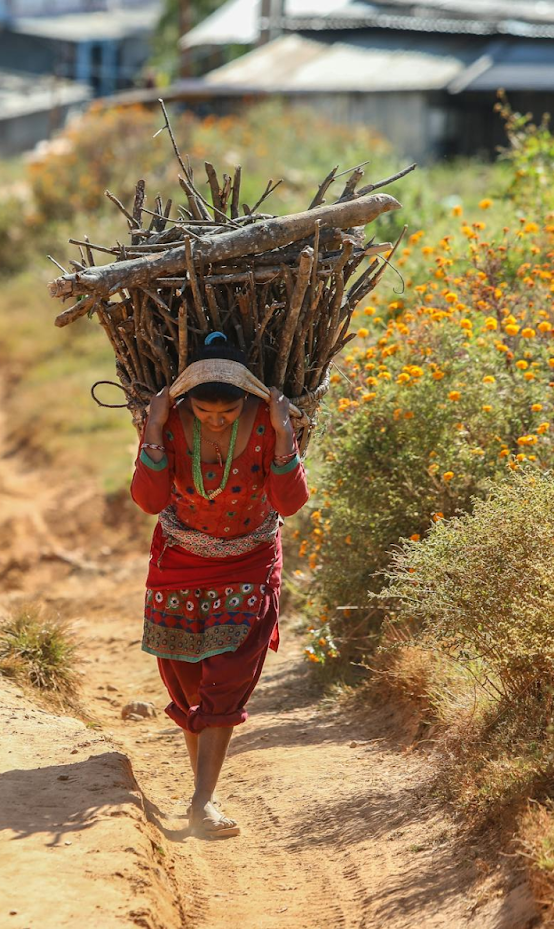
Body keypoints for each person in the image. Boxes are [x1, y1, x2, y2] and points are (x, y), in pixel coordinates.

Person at [129, 332, 309, 838]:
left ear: (246, 401)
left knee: (227, 674)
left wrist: (283, 432)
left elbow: (289, 502)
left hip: (248, 562)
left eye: (226, 416)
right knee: (187, 676)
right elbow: (148, 499)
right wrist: (157, 427)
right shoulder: (168, 424)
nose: (215, 421)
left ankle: (202, 801)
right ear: (187, 403)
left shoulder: (269, 426)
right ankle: (201, 790)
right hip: (179, 560)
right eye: (204, 413)